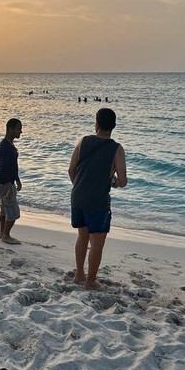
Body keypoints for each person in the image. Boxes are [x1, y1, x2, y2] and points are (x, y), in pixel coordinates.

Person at [68, 108, 127, 289]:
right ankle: (91, 281)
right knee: (97, 243)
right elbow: (123, 181)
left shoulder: (83, 142)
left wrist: (80, 187)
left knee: (82, 236)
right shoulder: (116, 149)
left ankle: (79, 274)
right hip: (98, 202)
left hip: (78, 196)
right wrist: (114, 182)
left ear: (97, 124)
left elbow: (71, 170)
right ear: (114, 126)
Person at [0, 118, 23, 245]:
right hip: (4, 183)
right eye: (18, 129)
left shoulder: (9, 145)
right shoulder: (5, 147)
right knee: (12, 211)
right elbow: (4, 168)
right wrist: (10, 188)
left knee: (4, 208)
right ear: (9, 129)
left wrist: (17, 179)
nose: (20, 131)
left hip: (3, 182)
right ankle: (6, 235)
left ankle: (2, 233)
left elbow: (13, 166)